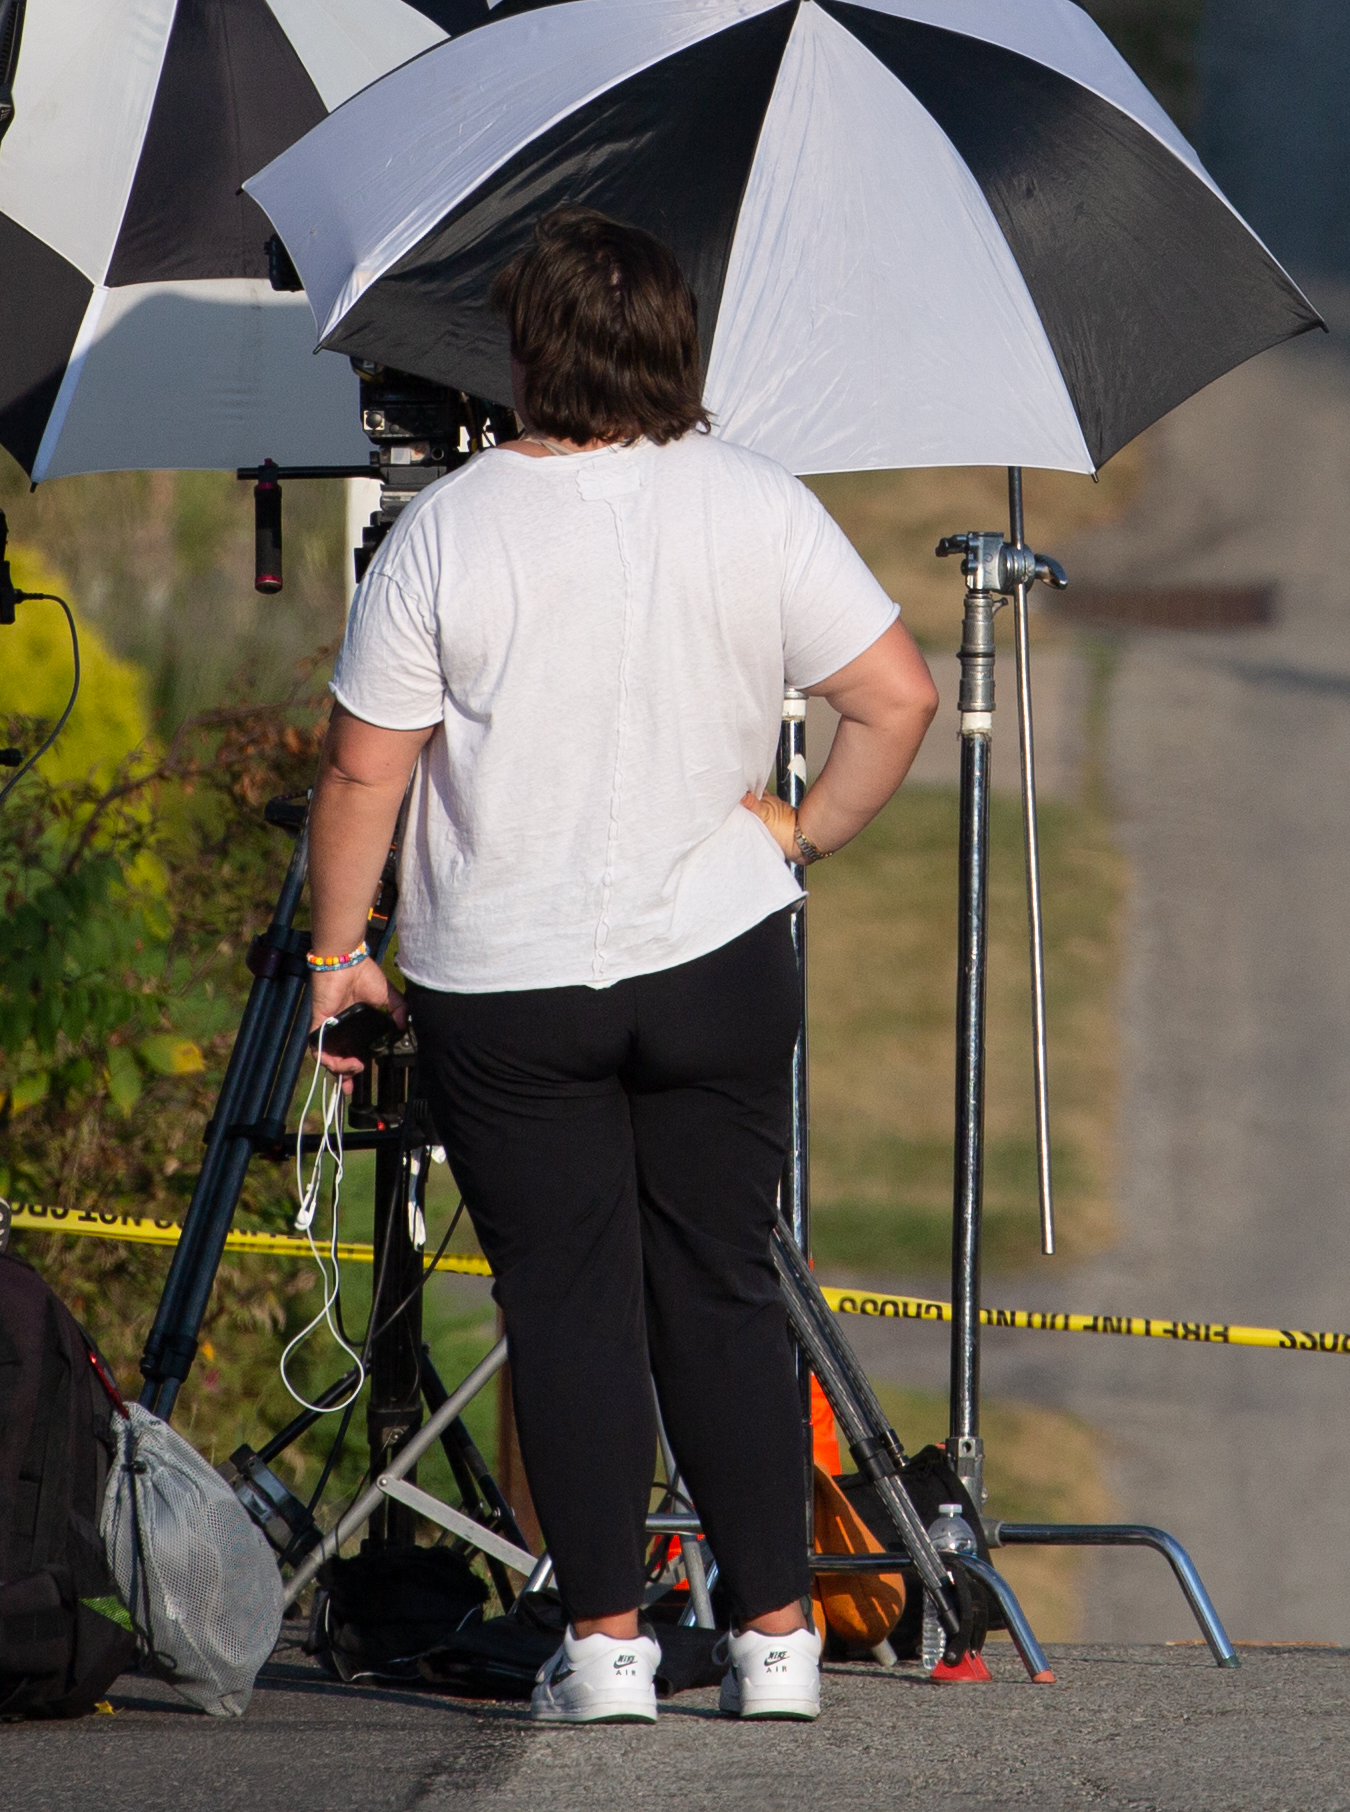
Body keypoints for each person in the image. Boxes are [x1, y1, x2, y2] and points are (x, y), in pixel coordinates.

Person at [301, 212, 944, 1725]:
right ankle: (778, 1637)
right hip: (715, 948)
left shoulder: (446, 530)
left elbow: (359, 777)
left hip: (507, 975)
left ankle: (604, 1645)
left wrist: (338, 956)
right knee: (720, 1281)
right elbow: (897, 696)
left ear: (525, 351)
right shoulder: (759, 505)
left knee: (568, 1299)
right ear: (680, 346)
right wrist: (799, 831)